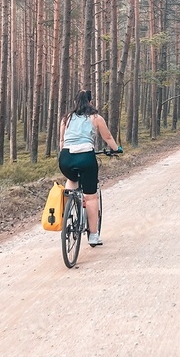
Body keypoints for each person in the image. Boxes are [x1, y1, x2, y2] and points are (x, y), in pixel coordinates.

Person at [58, 89, 120, 247]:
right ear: (90, 102)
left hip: (66, 158)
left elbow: (62, 141)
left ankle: (67, 214)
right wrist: (116, 149)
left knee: (71, 180)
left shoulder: (66, 118)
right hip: (86, 157)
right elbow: (107, 137)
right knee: (91, 197)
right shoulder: (96, 118)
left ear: (75, 102)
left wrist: (65, 156)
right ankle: (93, 236)